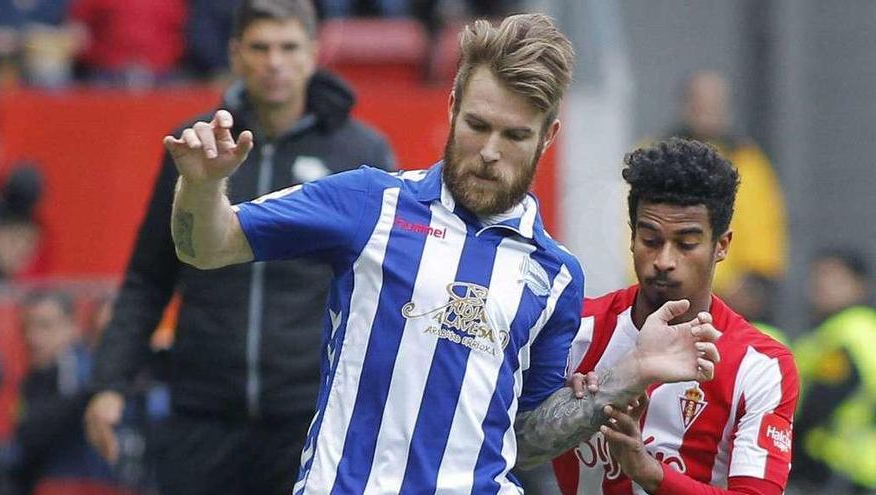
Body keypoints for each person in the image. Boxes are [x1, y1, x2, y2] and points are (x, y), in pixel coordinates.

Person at [165, 14, 721, 493]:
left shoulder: (554, 276)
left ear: (547, 138)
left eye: (514, 136)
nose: (489, 152)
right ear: (452, 107)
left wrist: (632, 373)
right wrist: (201, 188)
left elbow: (524, 438)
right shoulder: (370, 203)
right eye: (477, 125)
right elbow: (206, 247)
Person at [83, 1, 395, 494]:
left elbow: (384, 285)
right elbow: (149, 275)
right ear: (235, 53)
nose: (274, 62)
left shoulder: (359, 154)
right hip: (203, 413)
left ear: (313, 53)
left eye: (288, 47)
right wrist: (108, 382)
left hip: (309, 417)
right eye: (260, 47)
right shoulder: (197, 147)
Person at [552, 138, 799, 494]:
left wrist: (648, 471)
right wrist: (564, 406)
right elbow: (512, 442)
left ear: (722, 246)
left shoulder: (760, 366)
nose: (665, 260)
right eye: (651, 239)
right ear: (632, 236)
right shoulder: (573, 330)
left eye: (686, 244)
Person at [664, 70, 787, 296]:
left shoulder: (748, 162)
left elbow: (764, 226)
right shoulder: (657, 157)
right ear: (685, 105)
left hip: (736, 293)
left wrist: (755, 279)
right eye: (701, 102)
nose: (708, 111)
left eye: (716, 103)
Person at [11, 290, 113, 494]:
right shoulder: (37, 375)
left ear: (72, 327)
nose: (33, 337)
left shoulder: (79, 373)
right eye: (27, 327)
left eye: (45, 326)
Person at [791, 248, 876, 493]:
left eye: (835, 277)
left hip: (840, 469)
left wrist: (793, 448)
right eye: (818, 275)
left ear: (860, 286)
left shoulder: (848, 331)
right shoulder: (847, 329)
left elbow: (825, 398)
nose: (822, 284)